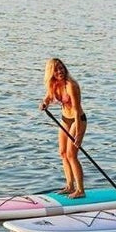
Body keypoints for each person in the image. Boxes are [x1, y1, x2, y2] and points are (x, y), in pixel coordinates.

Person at [40, 58, 87, 198]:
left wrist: (78, 135)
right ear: (51, 73)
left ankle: (80, 190)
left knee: (72, 154)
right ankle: (69, 185)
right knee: (62, 153)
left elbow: (77, 111)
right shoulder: (54, 84)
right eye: (56, 69)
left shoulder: (71, 85)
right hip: (65, 119)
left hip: (77, 120)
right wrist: (44, 103)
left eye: (61, 68)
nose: (60, 71)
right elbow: (48, 97)